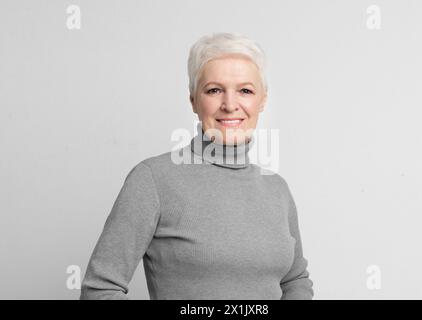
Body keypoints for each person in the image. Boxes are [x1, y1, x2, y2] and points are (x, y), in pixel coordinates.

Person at [80, 32, 314, 300]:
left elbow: (296, 280)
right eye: (214, 90)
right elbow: (100, 289)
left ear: (262, 100)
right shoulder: (153, 180)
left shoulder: (277, 189)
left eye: (245, 91)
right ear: (193, 99)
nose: (229, 105)